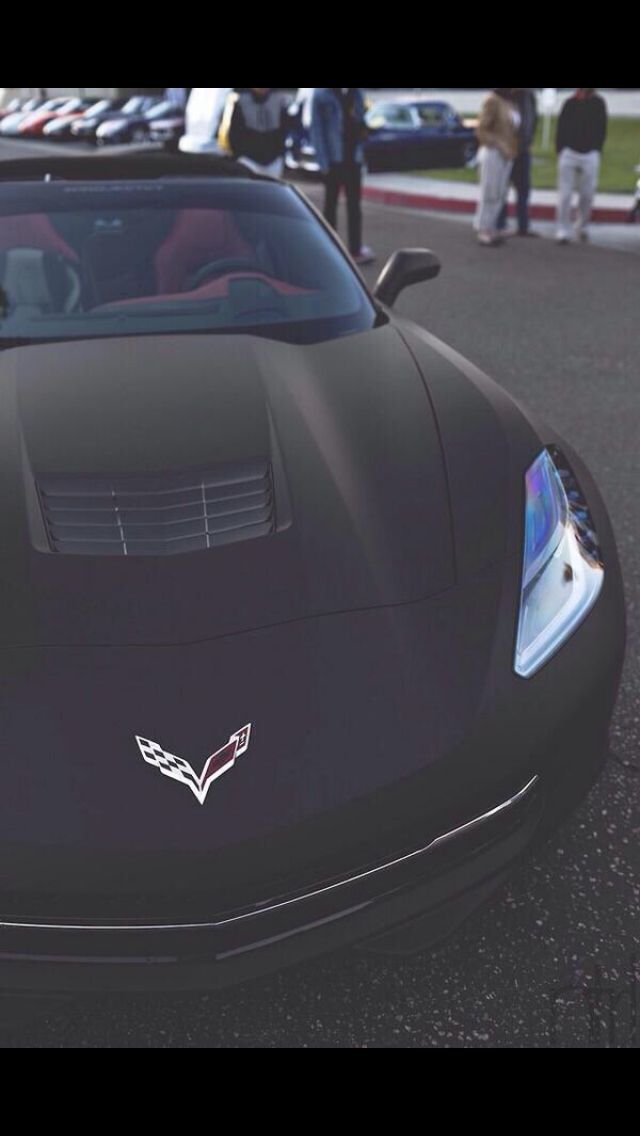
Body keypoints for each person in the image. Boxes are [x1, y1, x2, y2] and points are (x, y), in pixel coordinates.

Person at [310, 88, 375, 265]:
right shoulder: (321, 94)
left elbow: (362, 120)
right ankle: (330, 248)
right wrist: (323, 161)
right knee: (330, 205)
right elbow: (316, 130)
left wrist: (365, 132)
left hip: (353, 158)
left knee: (354, 205)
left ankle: (355, 248)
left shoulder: (357, 94)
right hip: (333, 159)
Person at [556, 89, 608, 245]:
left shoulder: (598, 103)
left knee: (587, 194)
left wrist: (597, 148)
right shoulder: (570, 103)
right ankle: (562, 229)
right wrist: (560, 150)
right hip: (569, 152)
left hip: (589, 153)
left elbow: (602, 127)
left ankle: (582, 226)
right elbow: (561, 127)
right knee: (565, 195)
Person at [474, 89, 520, 247]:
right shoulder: (492, 101)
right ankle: (483, 229)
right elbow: (481, 130)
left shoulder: (511, 103)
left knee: (500, 193)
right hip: (493, 152)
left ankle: (492, 227)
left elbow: (512, 130)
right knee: (489, 191)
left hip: (507, 155)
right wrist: (500, 144)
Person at [497, 88, 539, 237]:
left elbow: (533, 119)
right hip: (505, 150)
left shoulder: (528, 97)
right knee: (502, 187)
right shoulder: (502, 96)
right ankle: (499, 223)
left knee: (523, 188)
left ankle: (523, 225)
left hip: (523, 150)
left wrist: (528, 140)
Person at [228, 88, 290, 177]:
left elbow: (285, 129)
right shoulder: (242, 101)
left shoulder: (279, 101)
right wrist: (239, 156)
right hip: (248, 160)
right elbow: (234, 133)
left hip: (273, 161)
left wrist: (280, 155)